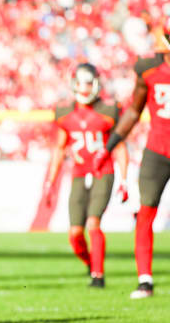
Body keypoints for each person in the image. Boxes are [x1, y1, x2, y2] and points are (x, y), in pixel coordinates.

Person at [92, 21, 170, 299]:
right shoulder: (148, 68)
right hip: (158, 150)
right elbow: (134, 111)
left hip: (159, 148)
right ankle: (145, 280)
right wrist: (110, 144)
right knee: (146, 214)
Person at [42, 63, 128, 288]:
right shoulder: (64, 112)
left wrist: (125, 179)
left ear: (96, 84)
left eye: (88, 82)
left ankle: (98, 276)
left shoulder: (109, 109)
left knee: (93, 223)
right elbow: (59, 149)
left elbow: (119, 147)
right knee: (75, 233)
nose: (84, 87)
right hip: (80, 173)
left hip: (103, 171)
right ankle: (92, 265)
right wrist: (50, 181)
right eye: (80, 82)